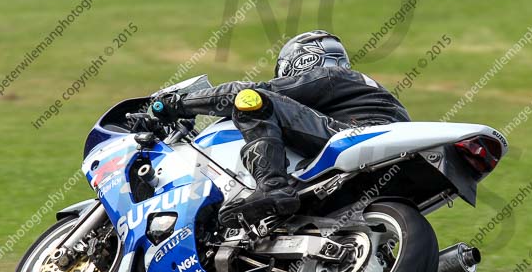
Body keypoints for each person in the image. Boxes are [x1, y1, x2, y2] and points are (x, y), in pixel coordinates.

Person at [155, 30, 410, 228]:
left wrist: (178, 104)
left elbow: (244, 92)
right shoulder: (362, 91)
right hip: (386, 165)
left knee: (251, 98)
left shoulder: (330, 76)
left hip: (353, 135)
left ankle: (272, 187)